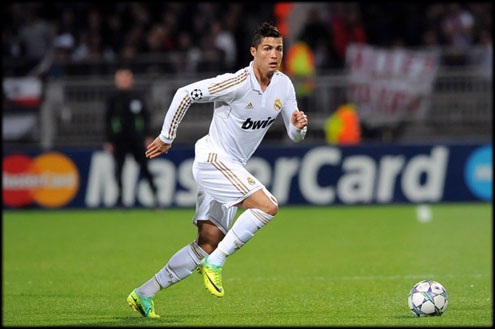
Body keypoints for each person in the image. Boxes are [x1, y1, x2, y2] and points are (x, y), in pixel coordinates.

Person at [127, 22, 308, 318]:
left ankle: (144, 293)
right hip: (213, 159)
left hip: (231, 167)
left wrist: (299, 127)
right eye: (267, 49)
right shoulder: (237, 82)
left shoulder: (283, 86)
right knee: (268, 206)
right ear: (254, 52)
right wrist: (166, 137)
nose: (274, 55)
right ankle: (217, 263)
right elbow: (185, 94)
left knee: (207, 243)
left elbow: (293, 132)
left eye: (278, 49)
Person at [104, 67, 160, 208]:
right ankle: (121, 201)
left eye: (126, 78)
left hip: (137, 140)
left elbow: (146, 117)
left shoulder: (138, 97)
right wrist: (109, 140)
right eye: (121, 78)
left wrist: (147, 136)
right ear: (117, 81)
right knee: (119, 170)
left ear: (131, 79)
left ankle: (156, 199)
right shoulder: (112, 98)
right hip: (119, 141)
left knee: (146, 169)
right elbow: (108, 120)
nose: (123, 81)